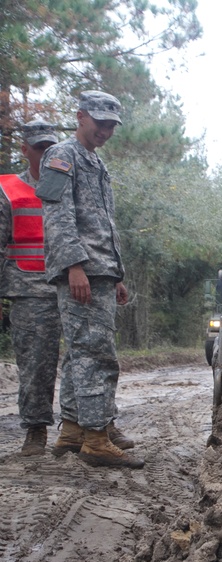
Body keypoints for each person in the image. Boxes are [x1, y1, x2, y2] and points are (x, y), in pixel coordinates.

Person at [36, 91, 143, 468]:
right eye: (100, 123)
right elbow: (58, 216)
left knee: (81, 352)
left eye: (112, 125)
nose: (106, 130)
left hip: (99, 269)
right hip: (81, 269)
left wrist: (116, 274)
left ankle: (73, 429)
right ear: (80, 117)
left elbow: (103, 225)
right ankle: (96, 439)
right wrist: (74, 266)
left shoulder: (94, 162)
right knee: (96, 354)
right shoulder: (62, 155)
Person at [0, 120, 61, 456]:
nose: (46, 153)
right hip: (28, 288)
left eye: (50, 146)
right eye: (39, 147)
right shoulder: (8, 189)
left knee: (85, 359)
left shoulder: (69, 184)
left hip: (72, 284)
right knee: (35, 362)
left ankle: (81, 430)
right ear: (25, 150)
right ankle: (35, 431)